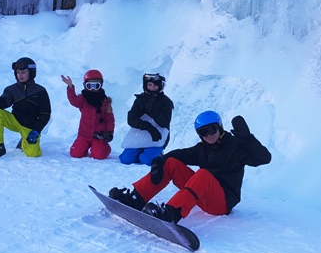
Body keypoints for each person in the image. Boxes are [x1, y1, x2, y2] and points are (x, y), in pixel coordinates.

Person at [109, 110, 271, 224]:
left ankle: (171, 213)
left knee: (203, 174)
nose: (208, 135)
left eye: (211, 129)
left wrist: (248, 139)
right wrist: (160, 160)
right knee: (171, 163)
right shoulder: (203, 149)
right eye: (203, 132)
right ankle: (136, 199)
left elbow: (264, 158)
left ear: (220, 127)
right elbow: (179, 154)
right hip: (204, 194)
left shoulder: (236, 146)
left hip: (222, 203)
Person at [0, 57, 52, 162]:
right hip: (15, 121)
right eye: (18, 72)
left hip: (30, 128)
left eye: (23, 72)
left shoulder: (40, 91)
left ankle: (24, 141)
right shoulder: (12, 89)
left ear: (31, 72)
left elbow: (45, 114)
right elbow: (1, 104)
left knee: (33, 154)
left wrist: (36, 130)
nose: (20, 75)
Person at [118, 73, 174, 165]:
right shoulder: (140, 100)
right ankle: (142, 152)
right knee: (125, 159)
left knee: (146, 160)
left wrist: (153, 110)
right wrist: (147, 127)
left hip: (157, 139)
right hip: (139, 137)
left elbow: (164, 123)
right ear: (145, 85)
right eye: (149, 85)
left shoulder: (166, 102)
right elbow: (131, 119)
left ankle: (156, 153)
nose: (152, 88)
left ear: (160, 86)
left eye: (155, 85)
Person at [61, 69, 115, 159]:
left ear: (101, 85)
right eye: (90, 86)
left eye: (96, 86)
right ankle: (85, 147)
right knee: (75, 153)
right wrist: (70, 87)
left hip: (99, 136)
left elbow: (110, 118)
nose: (93, 89)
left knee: (99, 155)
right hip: (84, 135)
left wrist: (109, 132)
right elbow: (73, 100)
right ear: (85, 86)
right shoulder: (83, 99)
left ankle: (104, 147)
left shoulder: (105, 102)